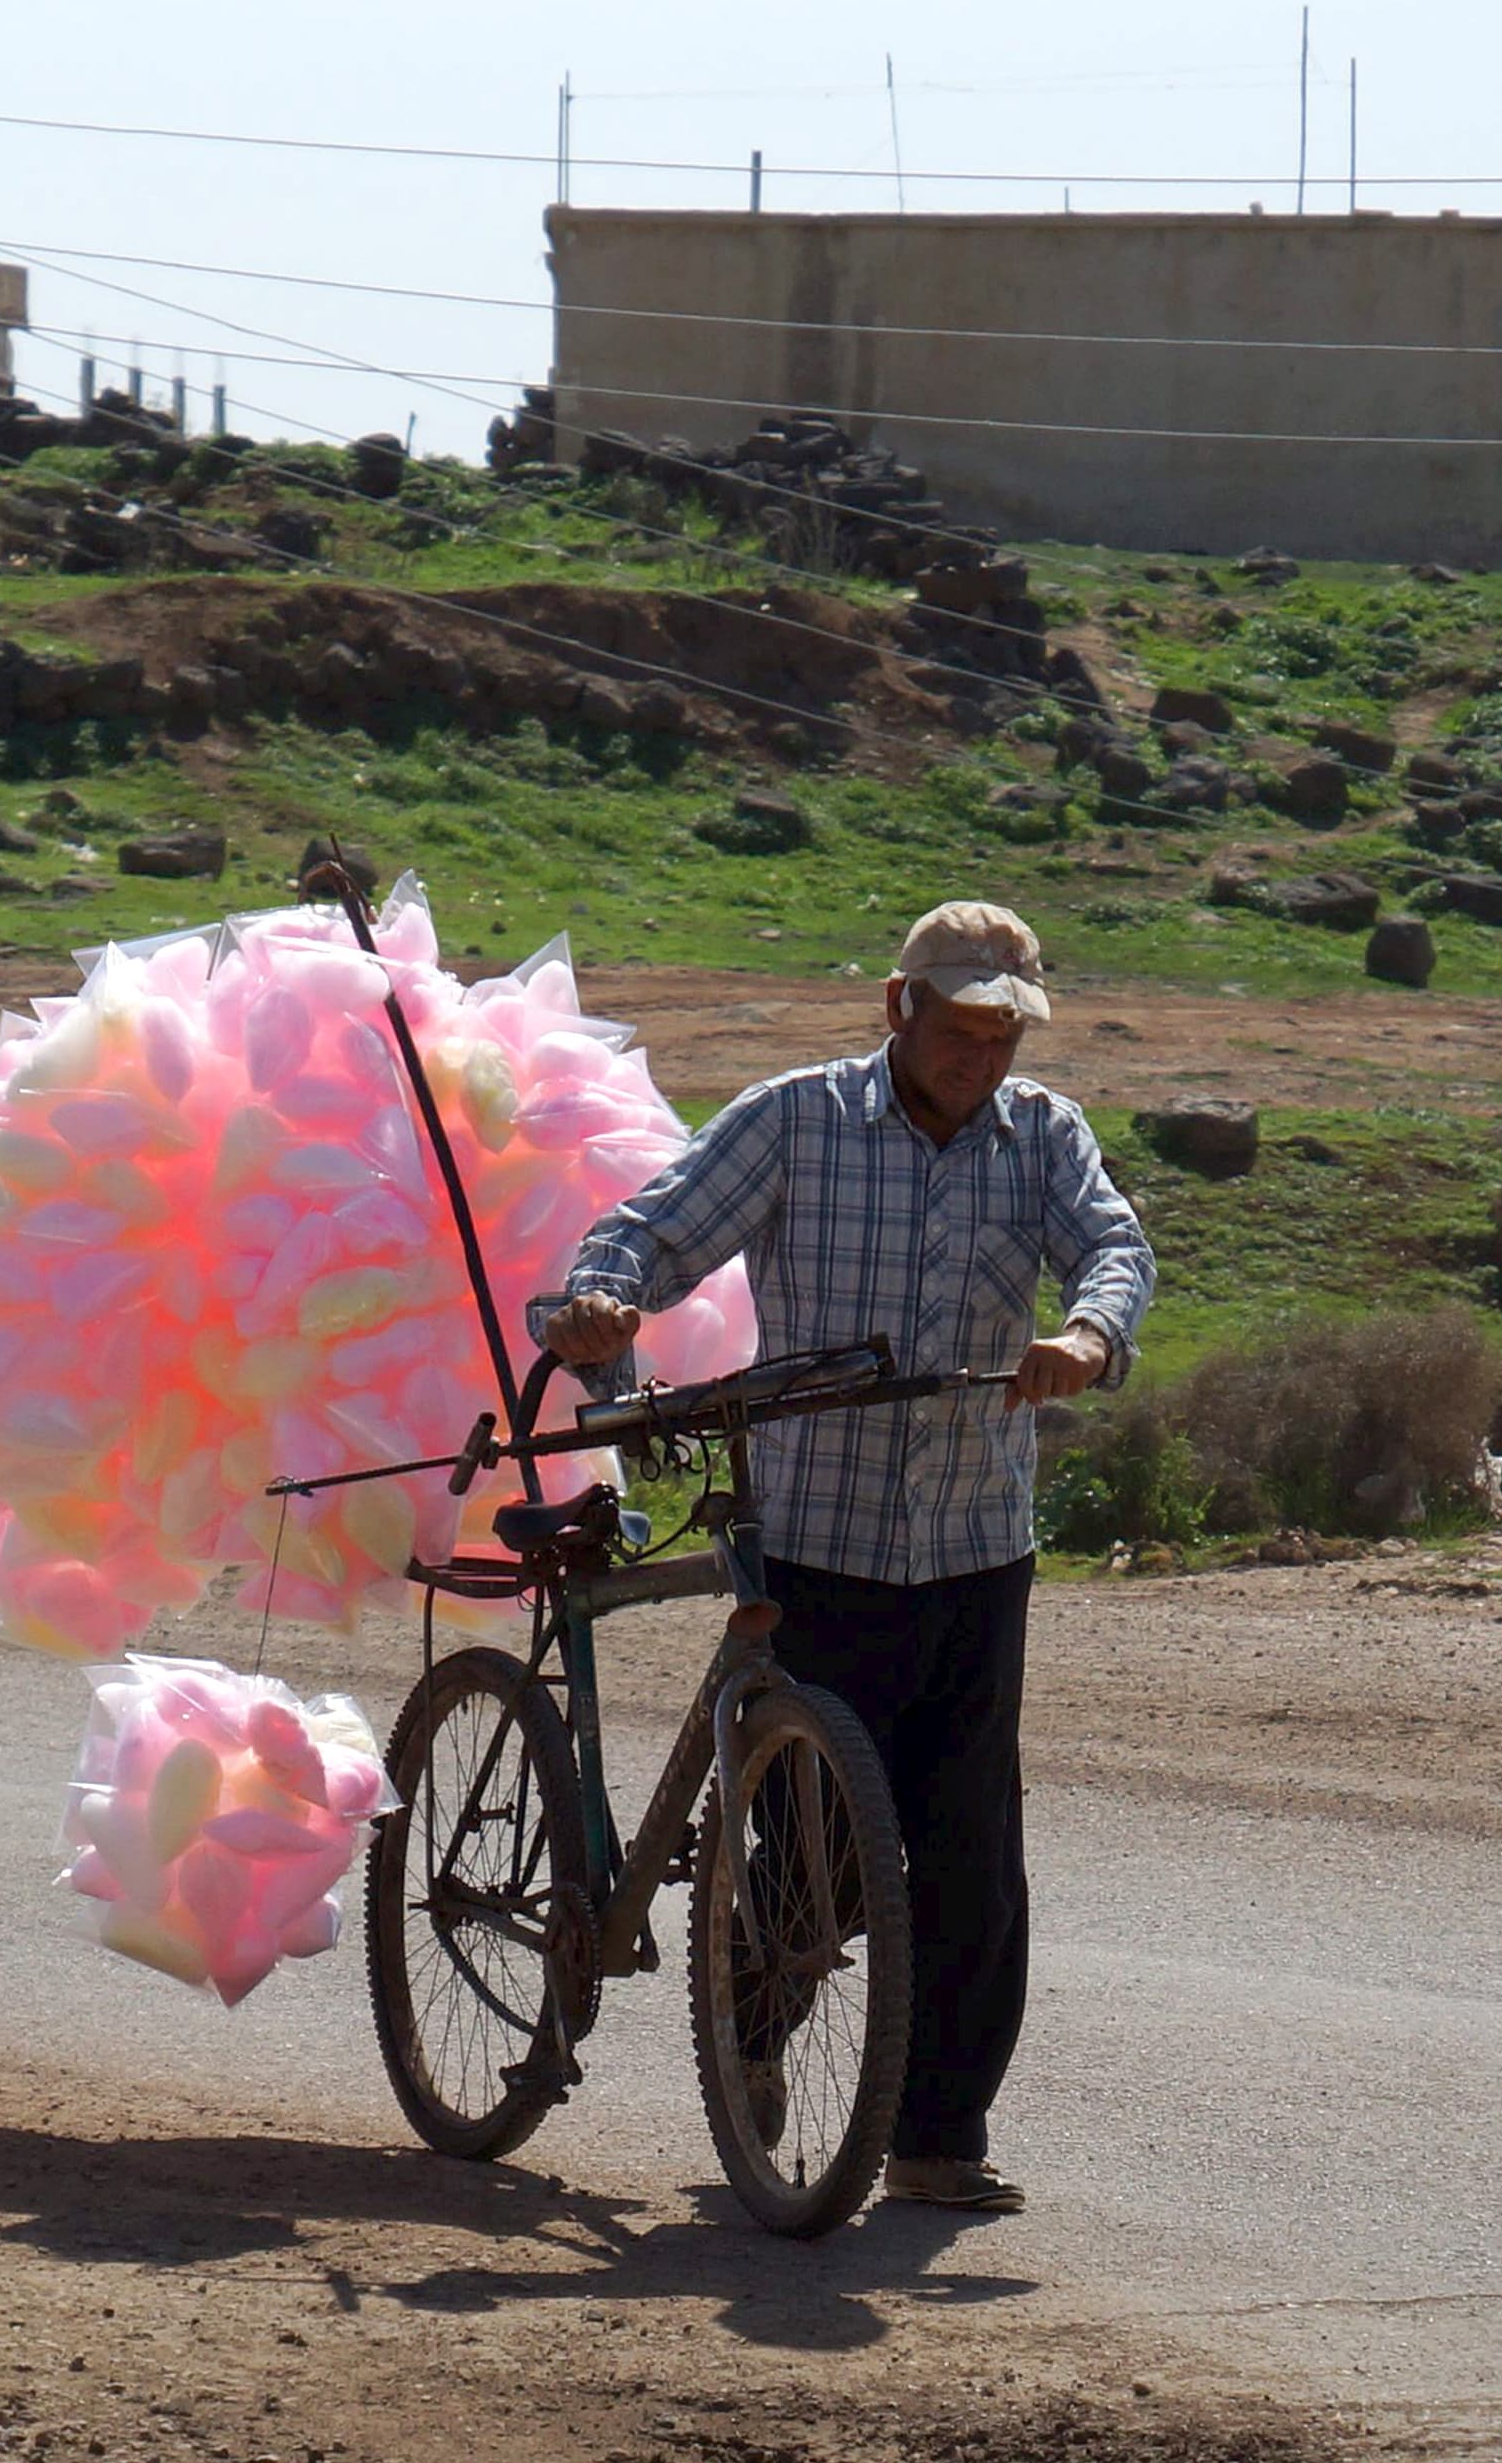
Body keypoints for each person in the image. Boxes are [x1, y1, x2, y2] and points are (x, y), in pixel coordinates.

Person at [539, 901, 1153, 2215]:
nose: (981, 1055)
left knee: (973, 1857)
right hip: (818, 1547)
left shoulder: (1041, 1136)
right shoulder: (796, 1120)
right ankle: (753, 2031)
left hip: (976, 1546)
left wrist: (1091, 1337)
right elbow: (645, 1233)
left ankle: (940, 2136)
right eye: (960, 1028)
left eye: (1003, 1033)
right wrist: (605, 1300)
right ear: (899, 1010)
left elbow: (1111, 1246)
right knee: (811, 1854)